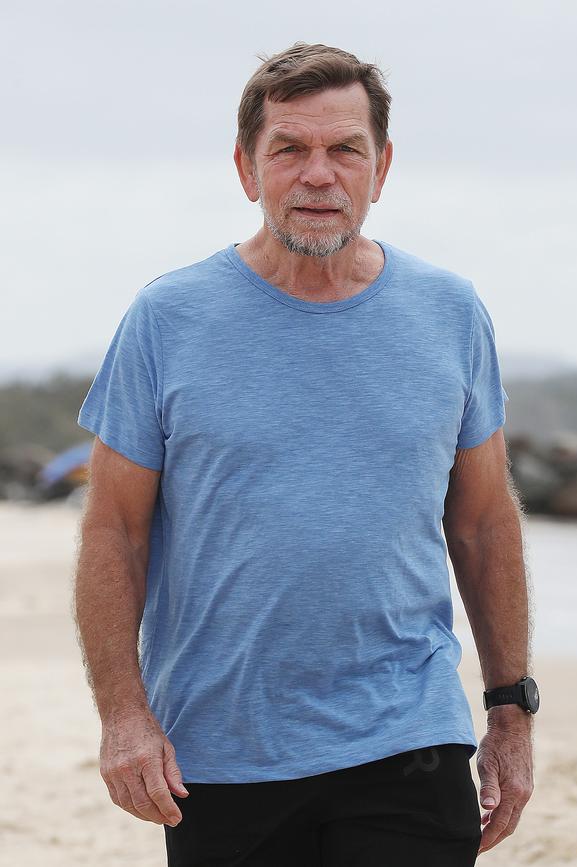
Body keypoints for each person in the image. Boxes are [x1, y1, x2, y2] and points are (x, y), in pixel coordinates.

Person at [73, 41, 536, 867]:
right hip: (221, 750)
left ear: (380, 166)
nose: (318, 174)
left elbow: (484, 524)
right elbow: (114, 531)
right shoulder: (167, 318)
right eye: (289, 148)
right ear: (249, 169)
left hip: (409, 735)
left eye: (344, 149)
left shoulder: (450, 313)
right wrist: (123, 714)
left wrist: (510, 708)